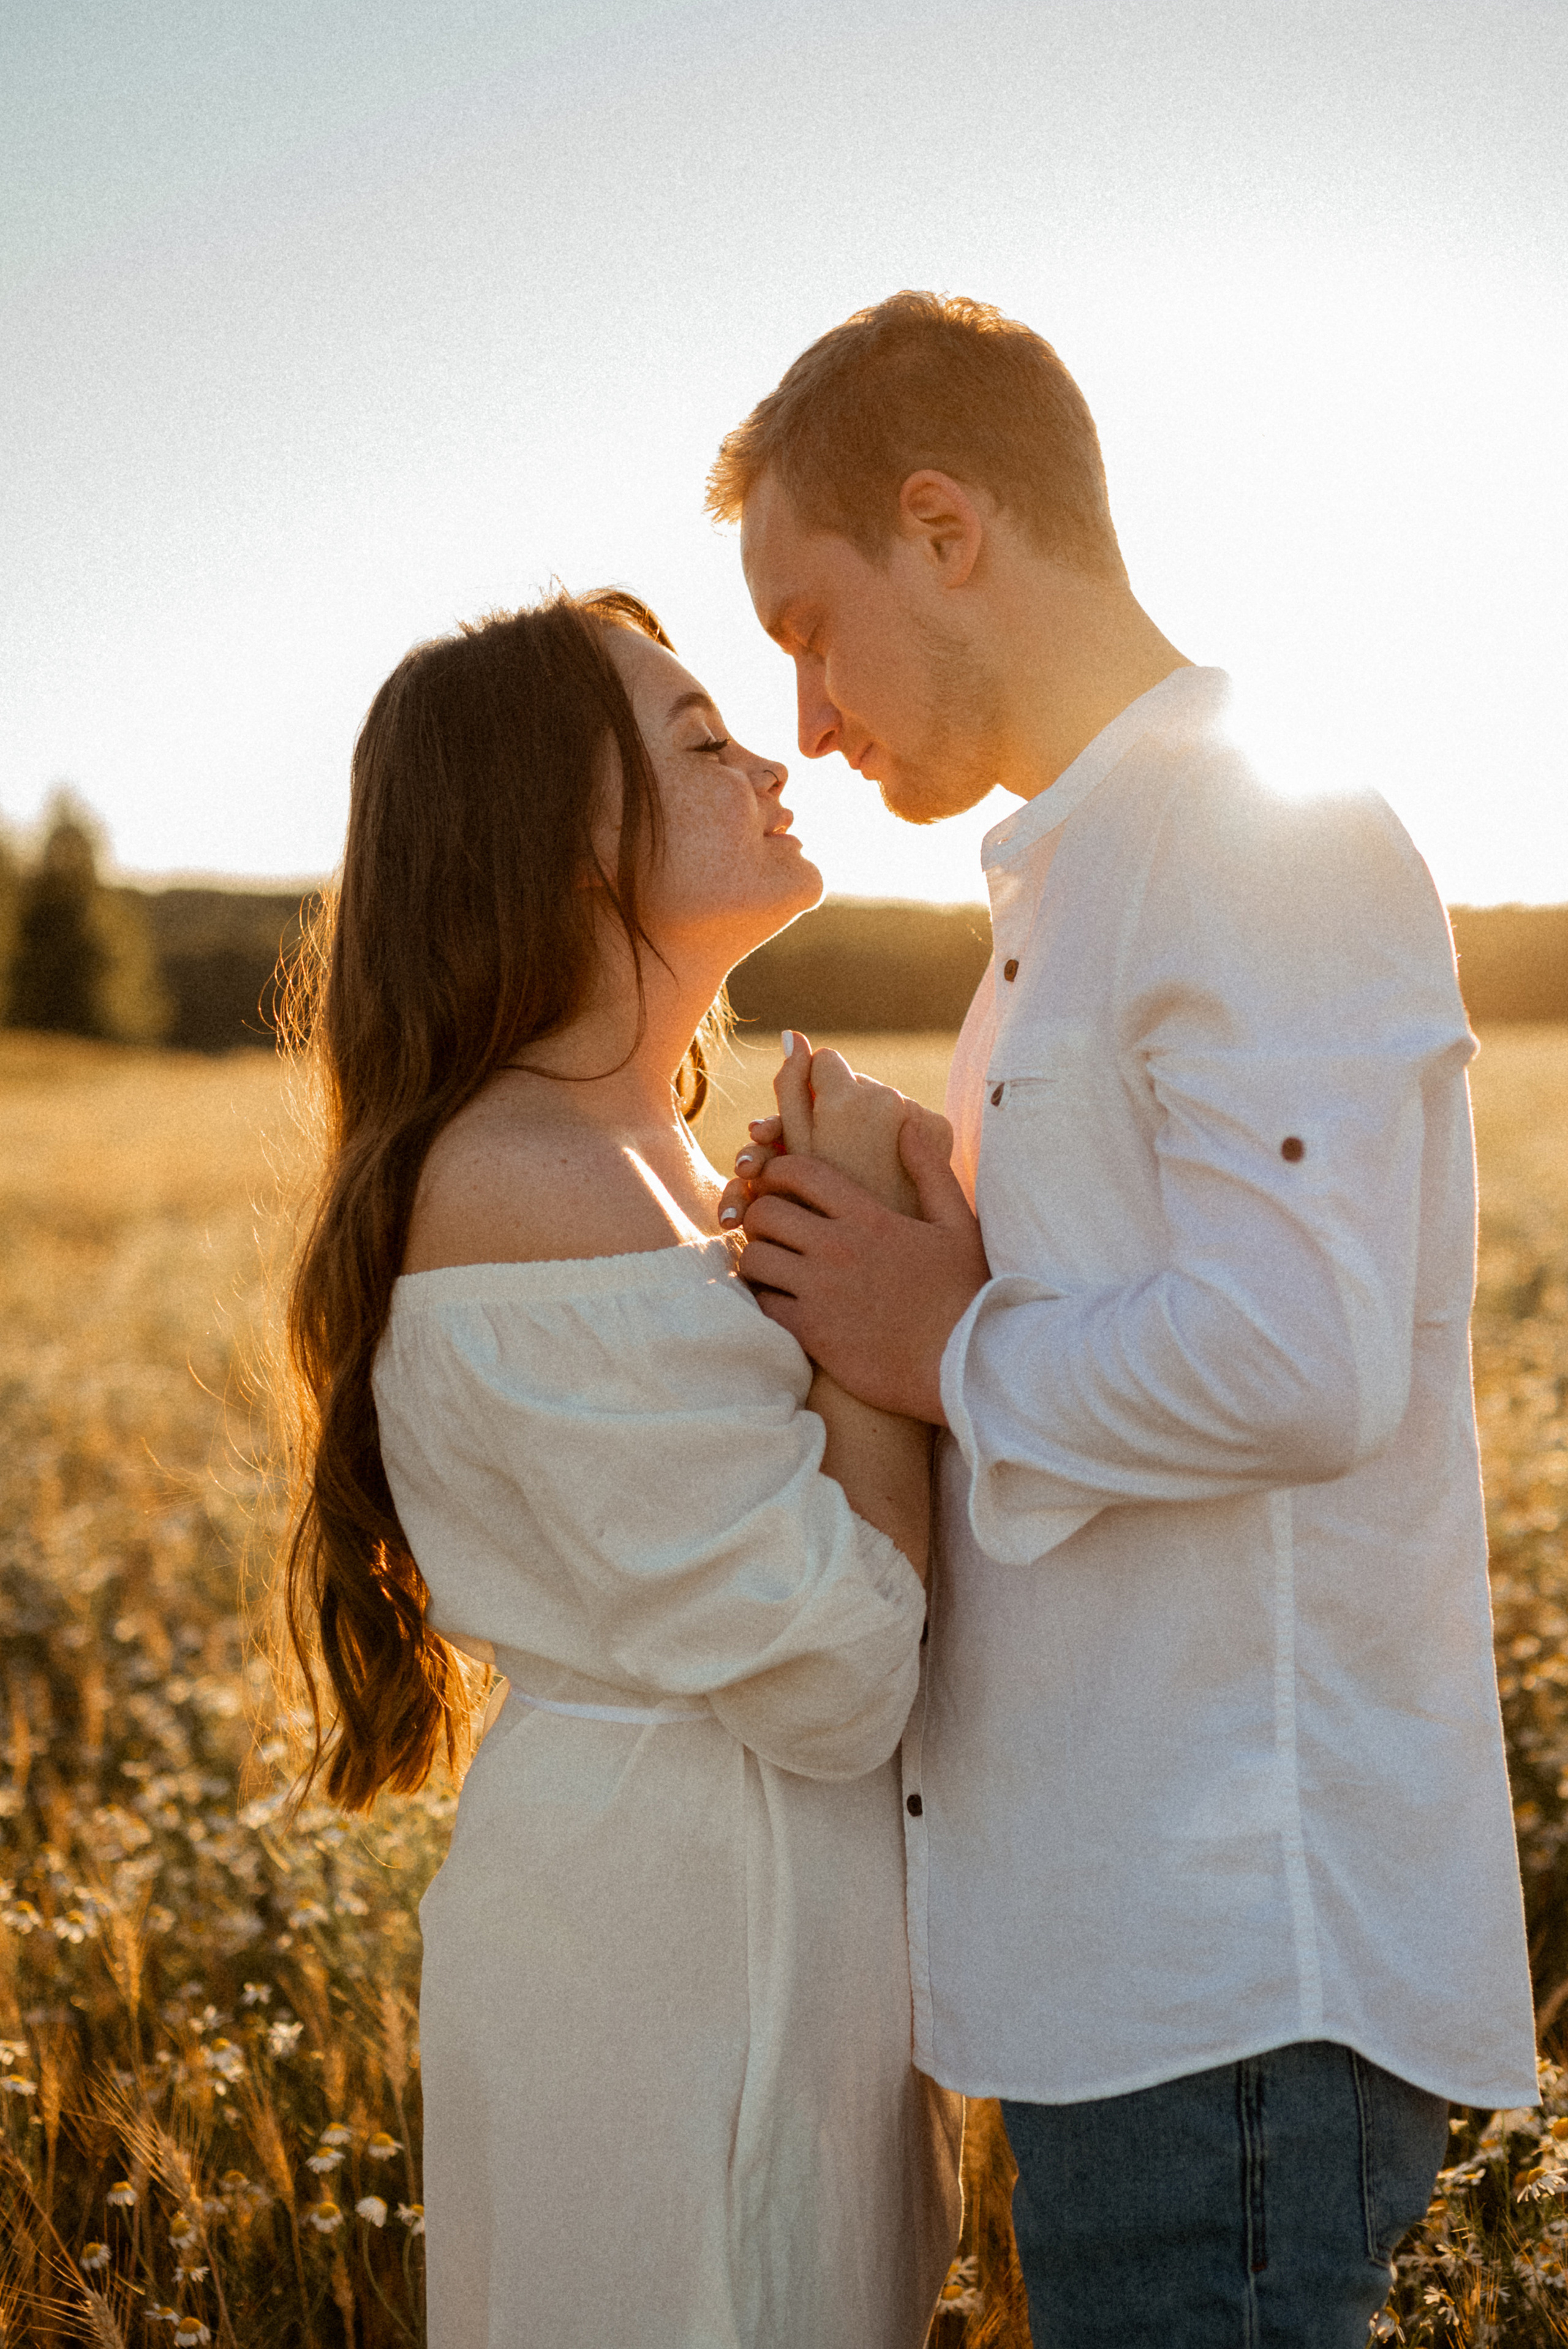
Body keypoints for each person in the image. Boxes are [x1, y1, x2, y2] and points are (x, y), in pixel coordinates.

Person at [712, 292, 1539, 2347]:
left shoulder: (1256, 834)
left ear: (945, 526)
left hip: (1229, 1981)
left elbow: (1301, 1357)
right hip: (1127, 1973)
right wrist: (925, 1217)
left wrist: (939, 1339)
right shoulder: (1078, 888)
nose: (806, 716)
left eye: (811, 625)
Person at [279, 588, 961, 2348]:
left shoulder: (641, 1152)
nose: (771, 759)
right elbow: (835, 1668)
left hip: (742, 1934)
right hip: (666, 1958)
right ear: (562, 840)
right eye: (699, 739)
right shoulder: (530, 1174)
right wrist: (870, 1302)